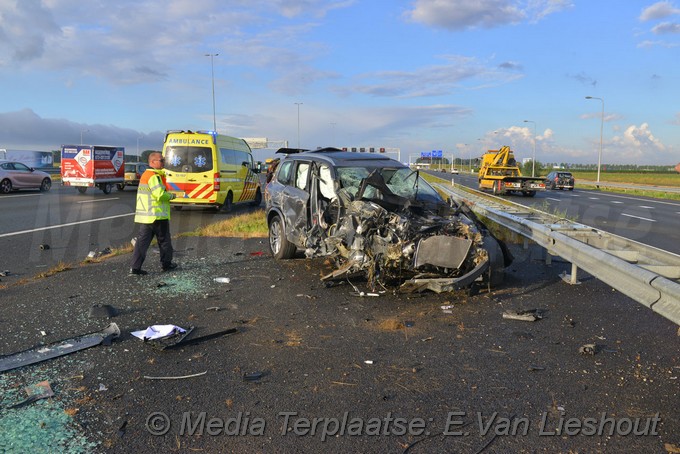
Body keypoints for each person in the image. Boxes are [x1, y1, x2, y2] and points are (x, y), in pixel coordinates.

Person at [129, 152, 178, 275]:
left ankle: (135, 268)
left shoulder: (146, 175)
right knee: (164, 241)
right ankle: (166, 265)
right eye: (161, 160)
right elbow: (160, 195)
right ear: (152, 162)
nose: (163, 162)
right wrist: (172, 196)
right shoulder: (154, 176)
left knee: (142, 243)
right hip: (157, 215)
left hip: (147, 216)